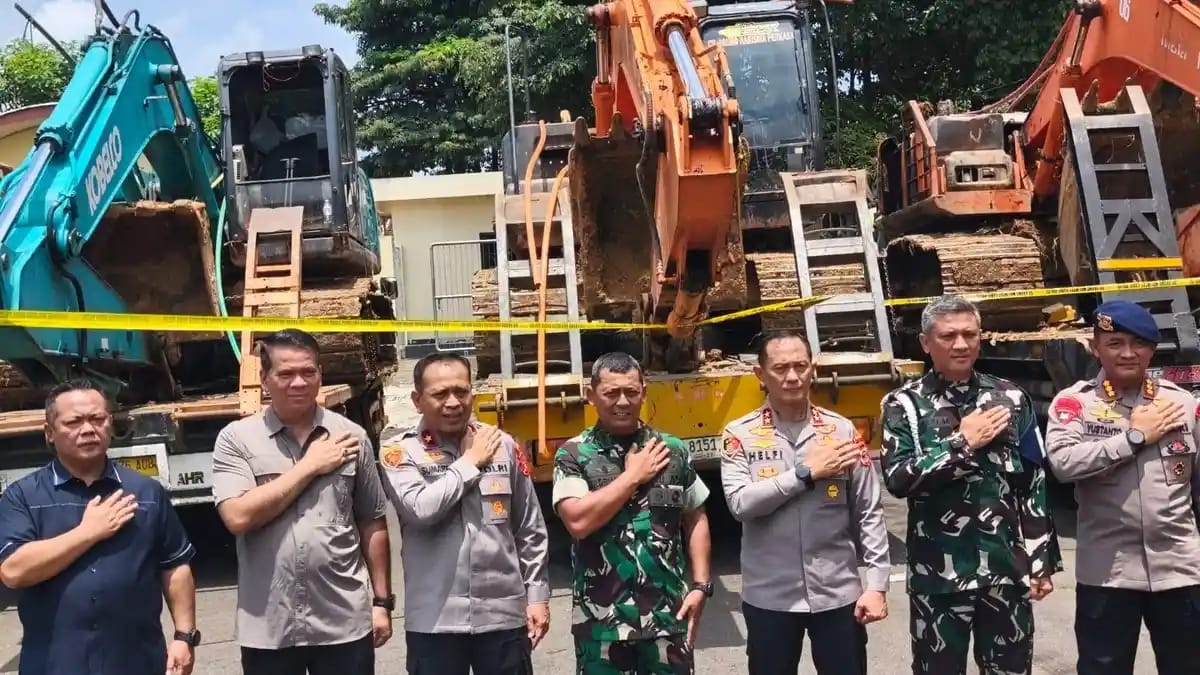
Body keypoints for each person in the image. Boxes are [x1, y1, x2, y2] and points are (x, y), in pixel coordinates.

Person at [879, 294, 1061, 675]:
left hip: (1005, 573)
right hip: (938, 579)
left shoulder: (1011, 398)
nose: (960, 344)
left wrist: (1040, 561)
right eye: (948, 336)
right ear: (926, 343)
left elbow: (1032, 483)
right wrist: (963, 443)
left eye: (969, 334)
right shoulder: (904, 404)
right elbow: (898, 480)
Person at [211, 328, 393, 675]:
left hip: (344, 621)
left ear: (320, 375)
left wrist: (382, 601)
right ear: (264, 379)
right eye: (286, 374)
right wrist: (310, 466)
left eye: (308, 372)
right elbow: (237, 516)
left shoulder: (351, 437)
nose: (299, 382)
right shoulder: (237, 439)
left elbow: (372, 521)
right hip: (269, 627)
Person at [0, 379, 199, 675]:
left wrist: (184, 636)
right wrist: (87, 533)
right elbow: (14, 571)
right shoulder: (23, 497)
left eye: (98, 419)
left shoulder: (145, 493)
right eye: (74, 422)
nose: (88, 429)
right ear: (49, 432)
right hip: (54, 664)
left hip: (137, 662)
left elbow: (175, 566)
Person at [721, 329, 890, 675]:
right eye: (781, 368)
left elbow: (868, 512)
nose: (793, 376)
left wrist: (876, 585)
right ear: (760, 374)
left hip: (838, 595)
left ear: (813, 368)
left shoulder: (841, 432)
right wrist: (804, 474)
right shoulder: (739, 435)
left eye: (800, 366)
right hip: (770, 599)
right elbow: (740, 504)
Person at [1044, 300, 1200, 674]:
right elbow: (1063, 464)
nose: (1128, 353)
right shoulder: (1075, 404)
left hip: (1180, 570)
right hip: (1107, 574)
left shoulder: (1181, 404)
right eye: (1115, 343)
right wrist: (1133, 437)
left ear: (1152, 349)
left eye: (1138, 343)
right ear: (1095, 348)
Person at [379, 352, 550, 675]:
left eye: (461, 391)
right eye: (440, 394)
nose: (453, 402)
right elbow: (421, 510)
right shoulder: (400, 452)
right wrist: (471, 462)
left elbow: (529, 527)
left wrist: (538, 596)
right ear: (417, 400)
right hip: (435, 620)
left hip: (502, 615)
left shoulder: (502, 445)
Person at [553, 351, 713, 675]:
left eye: (631, 391)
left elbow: (695, 517)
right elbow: (578, 521)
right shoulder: (573, 454)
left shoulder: (672, 450)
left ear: (644, 392)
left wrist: (700, 585)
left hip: (668, 619)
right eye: (611, 393)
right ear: (591, 396)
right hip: (602, 626)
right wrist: (632, 477)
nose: (623, 402)